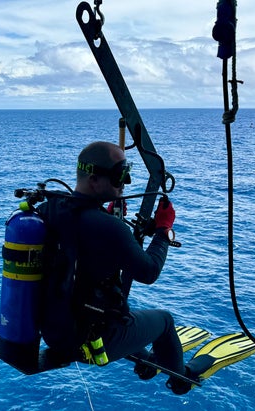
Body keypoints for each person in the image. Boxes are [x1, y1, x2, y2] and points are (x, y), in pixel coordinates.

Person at [42, 141, 191, 394]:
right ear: (93, 179)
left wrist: (108, 217)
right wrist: (163, 231)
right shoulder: (109, 228)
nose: (127, 182)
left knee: (122, 315)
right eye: (119, 175)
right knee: (164, 321)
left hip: (56, 333)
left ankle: (146, 365)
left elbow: (81, 244)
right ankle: (181, 381)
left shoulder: (50, 209)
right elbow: (148, 271)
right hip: (92, 341)